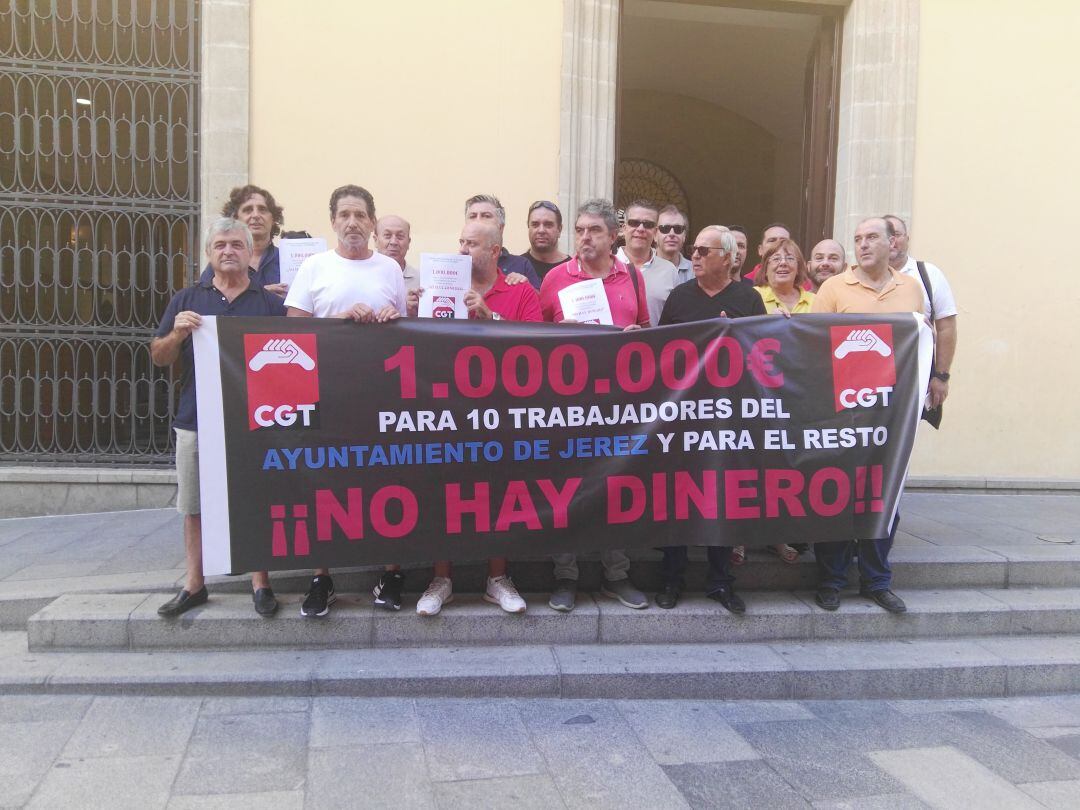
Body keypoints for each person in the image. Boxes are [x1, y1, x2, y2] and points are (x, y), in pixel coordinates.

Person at [405, 221, 542, 616]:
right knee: (442, 488)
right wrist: (413, 312)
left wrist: (490, 318)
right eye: (461, 242)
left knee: (499, 491)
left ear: (496, 250)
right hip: (445, 409)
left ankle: (497, 578)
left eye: (473, 244)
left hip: (500, 411)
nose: (463, 250)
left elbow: (537, 347)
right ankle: (441, 579)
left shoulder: (520, 291)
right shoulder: (438, 285)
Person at [152, 219, 285, 617]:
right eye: (220, 245)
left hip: (253, 419)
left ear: (250, 252)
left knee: (255, 499)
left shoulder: (270, 304)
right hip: (196, 417)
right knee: (193, 504)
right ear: (209, 253)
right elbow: (159, 356)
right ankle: (195, 584)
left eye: (236, 245)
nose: (228, 251)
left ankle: (260, 582)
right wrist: (176, 334)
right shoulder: (187, 299)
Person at [284, 184, 405, 617]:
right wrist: (336, 320)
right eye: (344, 215)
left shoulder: (389, 268)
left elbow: (409, 336)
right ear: (333, 221)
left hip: (381, 397)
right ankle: (321, 578)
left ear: (372, 223)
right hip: (325, 396)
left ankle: (390, 574)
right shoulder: (315, 267)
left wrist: (393, 320)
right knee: (324, 485)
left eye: (360, 215)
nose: (352, 222)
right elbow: (292, 332)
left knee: (386, 481)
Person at [538, 198, 650, 612]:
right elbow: (530, 339)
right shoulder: (554, 278)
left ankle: (615, 574)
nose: (585, 238)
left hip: (616, 404)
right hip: (566, 403)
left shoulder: (633, 278)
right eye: (580, 230)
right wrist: (556, 333)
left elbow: (645, 332)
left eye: (594, 231)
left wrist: (635, 335)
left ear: (613, 237)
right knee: (565, 487)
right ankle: (565, 575)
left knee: (614, 485)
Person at [811, 216, 926, 614]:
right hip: (842, 413)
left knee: (885, 496)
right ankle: (831, 579)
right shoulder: (832, 288)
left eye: (871, 237)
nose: (863, 245)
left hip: (891, 415)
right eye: (857, 239)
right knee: (838, 496)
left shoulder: (911, 289)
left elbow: (920, 343)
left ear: (892, 243)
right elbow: (811, 346)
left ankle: (877, 581)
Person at [655, 225, 767, 613]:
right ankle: (671, 577)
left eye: (704, 250)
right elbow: (662, 354)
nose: (696, 256)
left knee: (723, 497)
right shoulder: (680, 297)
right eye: (694, 250)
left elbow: (763, 356)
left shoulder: (748, 299)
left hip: (728, 417)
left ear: (729, 257)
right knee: (678, 497)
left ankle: (720, 582)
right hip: (684, 415)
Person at [753, 238, 816, 565]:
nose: (782, 263)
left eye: (790, 258)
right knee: (756, 466)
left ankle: (778, 536)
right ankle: (742, 537)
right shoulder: (753, 298)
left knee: (787, 468)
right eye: (775, 258)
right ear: (764, 267)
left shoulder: (815, 301)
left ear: (799, 267)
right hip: (759, 395)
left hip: (799, 396)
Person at [884, 214, 958, 409]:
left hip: (915, 376)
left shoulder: (928, 274)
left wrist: (941, 376)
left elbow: (946, 327)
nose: (892, 241)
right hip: (870, 380)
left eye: (896, 235)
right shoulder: (858, 278)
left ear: (907, 239)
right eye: (886, 235)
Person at [199, 184, 288, 297]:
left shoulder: (286, 260)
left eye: (262, 209)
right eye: (248, 210)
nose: (256, 215)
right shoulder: (221, 262)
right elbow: (205, 300)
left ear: (273, 218)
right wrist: (261, 295)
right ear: (235, 218)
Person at [615, 199, 679, 326]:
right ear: (623, 229)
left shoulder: (669, 271)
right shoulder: (606, 267)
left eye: (648, 225)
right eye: (634, 223)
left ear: (655, 232)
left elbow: (675, 319)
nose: (640, 228)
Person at [464, 194, 542, 288]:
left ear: (501, 226)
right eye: (472, 216)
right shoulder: (453, 266)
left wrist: (526, 287)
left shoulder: (522, 265)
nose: (478, 220)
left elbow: (538, 301)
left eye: (486, 216)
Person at [519, 200, 570, 282]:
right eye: (535, 224)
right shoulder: (517, 267)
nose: (541, 230)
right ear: (528, 227)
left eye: (548, 225)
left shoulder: (572, 269)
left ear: (559, 230)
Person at [374, 214, 420, 292]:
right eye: (387, 235)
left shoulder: (421, 281)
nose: (394, 242)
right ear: (376, 240)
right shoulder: (362, 275)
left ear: (408, 242)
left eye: (400, 236)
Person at [656, 205, 693, 285]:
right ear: (655, 235)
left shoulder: (696, 272)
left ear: (684, 236)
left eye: (678, 229)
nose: (672, 234)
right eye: (665, 228)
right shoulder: (642, 270)